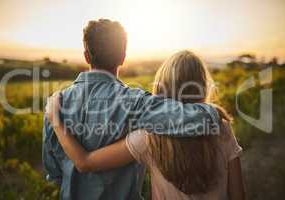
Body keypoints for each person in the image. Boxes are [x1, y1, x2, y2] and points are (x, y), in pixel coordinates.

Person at [42, 19, 220, 200]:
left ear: (86, 56)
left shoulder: (55, 105)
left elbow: (54, 173)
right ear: (123, 57)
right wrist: (213, 111)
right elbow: (197, 120)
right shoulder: (136, 102)